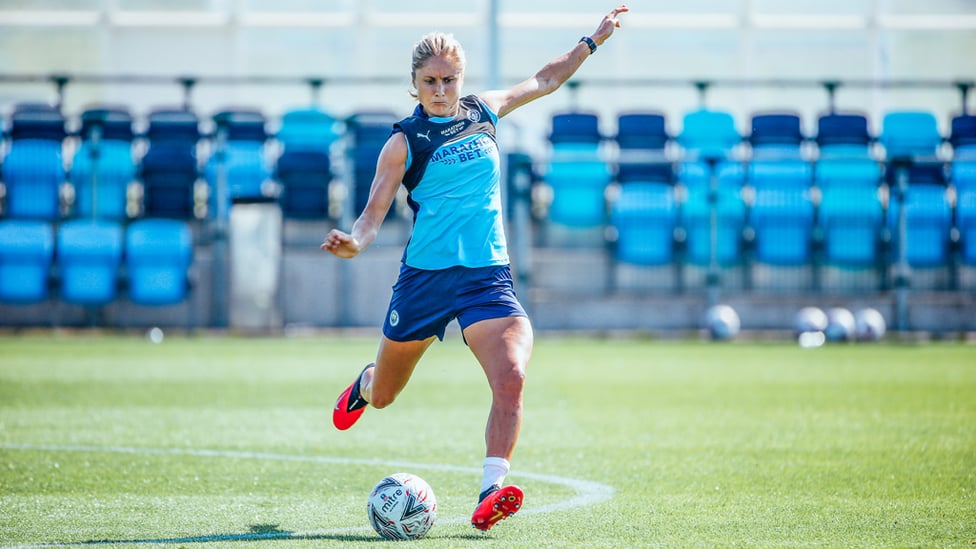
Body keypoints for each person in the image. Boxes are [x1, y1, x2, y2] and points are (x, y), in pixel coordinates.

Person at [322, 5, 629, 533]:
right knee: (388, 395)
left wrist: (591, 41)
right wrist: (354, 243)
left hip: (487, 277)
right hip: (425, 281)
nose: (440, 90)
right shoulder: (402, 143)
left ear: (461, 80)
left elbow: (545, 79)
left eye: (449, 79)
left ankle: (491, 489)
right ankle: (364, 387)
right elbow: (372, 216)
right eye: (429, 81)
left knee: (511, 377)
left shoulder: (483, 111)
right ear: (414, 84)